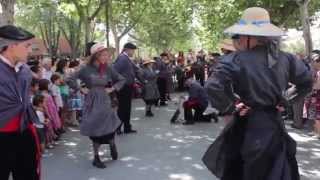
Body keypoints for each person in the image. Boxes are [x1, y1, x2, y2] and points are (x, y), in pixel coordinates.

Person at [204, 7, 313, 180]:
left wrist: (232, 106)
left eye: (239, 36)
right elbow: (306, 82)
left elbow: (212, 86)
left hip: (249, 125)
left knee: (248, 170)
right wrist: (285, 101)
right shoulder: (287, 58)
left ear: (248, 37)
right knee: (277, 170)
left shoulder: (235, 59)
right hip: (275, 124)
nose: (238, 40)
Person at [66, 43, 125, 168]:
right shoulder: (85, 68)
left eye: (107, 54)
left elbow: (121, 79)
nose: (107, 56)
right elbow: (69, 78)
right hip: (91, 101)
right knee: (95, 126)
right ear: (96, 55)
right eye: (103, 54)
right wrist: (80, 88)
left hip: (105, 100)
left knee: (109, 124)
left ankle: (111, 142)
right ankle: (96, 157)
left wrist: (113, 88)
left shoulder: (108, 68)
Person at [0, 25, 41, 180]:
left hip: (24, 131)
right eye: (27, 46)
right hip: (2, 137)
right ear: (11, 46)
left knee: (28, 174)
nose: (29, 50)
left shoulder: (24, 70)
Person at [113, 42, 139, 134]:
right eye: (132, 50)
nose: (133, 52)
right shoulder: (122, 58)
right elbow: (115, 72)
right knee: (123, 108)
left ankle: (127, 127)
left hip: (128, 86)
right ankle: (118, 127)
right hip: (123, 87)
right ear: (127, 49)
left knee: (127, 108)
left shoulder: (126, 58)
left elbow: (136, 69)